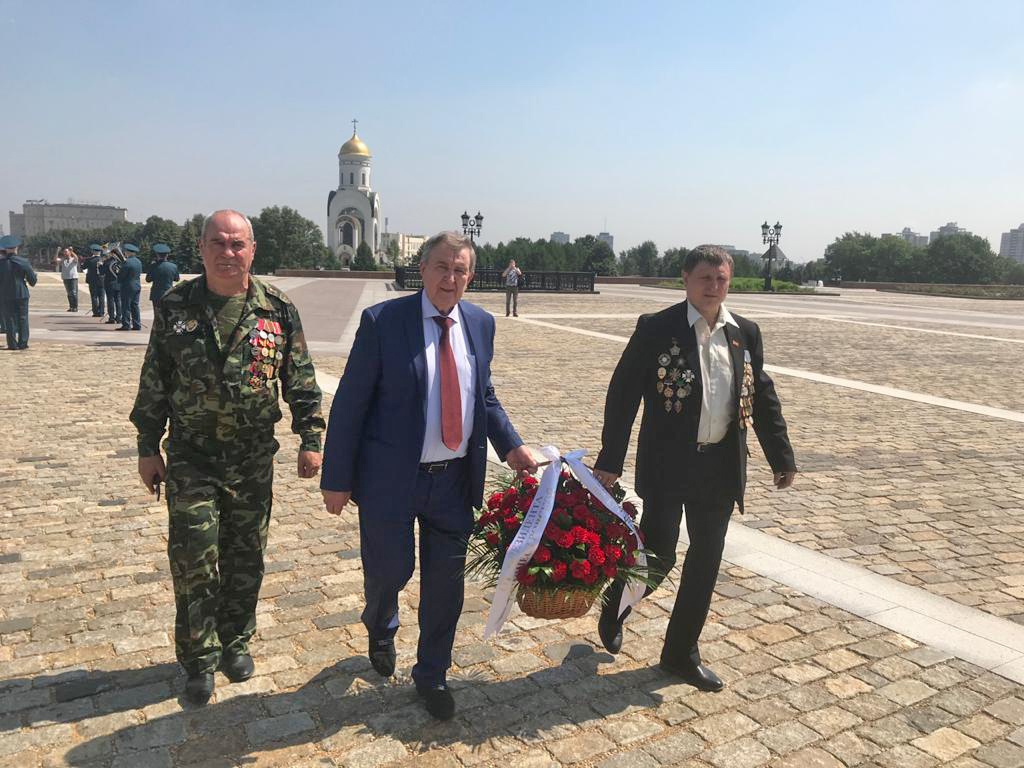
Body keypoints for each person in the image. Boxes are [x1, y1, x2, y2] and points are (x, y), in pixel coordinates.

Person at [321, 231, 537, 721]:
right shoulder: (383, 322)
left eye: (460, 270)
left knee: (446, 586)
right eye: (442, 267)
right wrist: (337, 477)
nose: (450, 278)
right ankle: (381, 622)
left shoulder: (480, 323)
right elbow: (351, 403)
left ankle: (432, 674)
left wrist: (512, 445)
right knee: (389, 571)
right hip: (391, 480)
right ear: (422, 270)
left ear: (470, 277)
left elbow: (483, 396)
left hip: (454, 482)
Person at [130, 209, 325, 705]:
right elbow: (155, 379)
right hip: (192, 457)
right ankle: (198, 659)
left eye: (237, 244)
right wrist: (148, 447)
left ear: (252, 250)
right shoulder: (176, 305)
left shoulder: (276, 308)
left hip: (251, 459)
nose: (227, 252)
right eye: (217, 242)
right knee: (194, 558)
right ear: (201, 249)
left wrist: (311, 438)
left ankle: (235, 641)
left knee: (245, 556)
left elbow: (300, 378)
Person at [593, 245, 796, 692]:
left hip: (720, 466)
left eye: (721, 279)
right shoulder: (657, 328)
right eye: (705, 278)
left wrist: (781, 456)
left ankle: (680, 653)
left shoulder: (744, 333)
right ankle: (617, 603)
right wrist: (610, 460)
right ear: (685, 279)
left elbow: (761, 395)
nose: (713, 287)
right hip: (669, 464)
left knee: (705, 561)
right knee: (660, 553)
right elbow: (623, 393)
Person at [0, 235, 38, 350]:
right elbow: (32, 281)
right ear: (16, 248)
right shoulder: (24, 262)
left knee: (9, 319)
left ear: (5, 248)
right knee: (23, 318)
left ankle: (12, 344)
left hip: (5, 294)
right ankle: (23, 343)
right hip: (21, 293)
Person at [117, 244, 143, 331]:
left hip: (127, 286)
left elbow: (121, 275)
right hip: (137, 285)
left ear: (127, 252)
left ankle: (126, 324)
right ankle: (137, 324)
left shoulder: (127, 262)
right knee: (135, 305)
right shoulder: (138, 261)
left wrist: (119, 276)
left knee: (126, 306)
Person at [146, 243, 180, 308]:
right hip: (169, 293)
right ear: (167, 255)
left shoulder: (153, 266)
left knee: (157, 313)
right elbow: (177, 279)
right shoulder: (173, 266)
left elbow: (148, 280)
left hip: (156, 295)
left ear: (157, 255)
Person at [82, 244, 106, 317]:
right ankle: (101, 312)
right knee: (101, 297)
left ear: (93, 251)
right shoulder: (104, 260)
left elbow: (83, 267)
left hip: (92, 280)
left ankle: (95, 312)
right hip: (102, 280)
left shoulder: (89, 260)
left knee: (94, 297)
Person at [99, 248, 121, 325]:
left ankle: (111, 318)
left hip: (109, 284)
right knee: (118, 301)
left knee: (110, 300)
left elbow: (101, 273)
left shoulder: (107, 262)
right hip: (118, 283)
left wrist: (100, 265)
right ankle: (119, 317)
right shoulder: (119, 262)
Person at [58, 247, 80, 312]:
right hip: (66, 278)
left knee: (74, 293)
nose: (65, 253)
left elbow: (76, 258)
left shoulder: (73, 259)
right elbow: (55, 260)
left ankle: (75, 307)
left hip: (73, 278)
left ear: (69, 252)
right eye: (64, 252)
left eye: (66, 251)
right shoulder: (63, 260)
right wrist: (57, 251)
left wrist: (72, 251)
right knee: (69, 293)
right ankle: (71, 307)